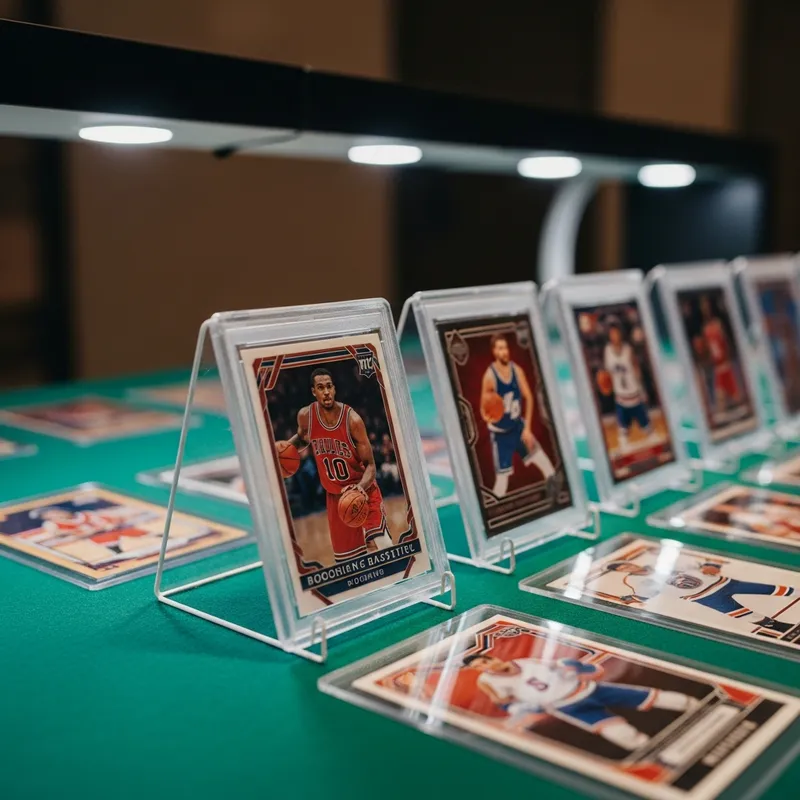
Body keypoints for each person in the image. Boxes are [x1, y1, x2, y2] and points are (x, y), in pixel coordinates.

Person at [465, 654, 698, 750]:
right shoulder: (490, 683)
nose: (487, 665)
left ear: (492, 657)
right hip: (566, 705)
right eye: (480, 666)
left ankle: (699, 708)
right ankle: (656, 753)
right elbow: (504, 704)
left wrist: (578, 667)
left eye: (485, 660)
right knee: (622, 735)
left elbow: (561, 664)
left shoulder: (525, 661)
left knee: (656, 697)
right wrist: (522, 708)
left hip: (589, 688)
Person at [288, 368, 393, 563]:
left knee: (382, 546)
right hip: (335, 498)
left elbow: (370, 465)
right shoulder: (306, 416)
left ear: (334, 389)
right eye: (321, 388)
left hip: (362, 491)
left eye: (329, 386)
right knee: (349, 563)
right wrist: (286, 449)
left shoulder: (352, 420)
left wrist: (360, 488)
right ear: (313, 392)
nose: (326, 392)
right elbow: (302, 439)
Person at [606, 559, 795, 634]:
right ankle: (781, 627)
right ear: (622, 572)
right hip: (702, 595)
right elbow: (644, 596)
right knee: (739, 613)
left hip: (723, 582)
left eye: (625, 565)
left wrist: (711, 566)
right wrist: (631, 599)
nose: (627, 568)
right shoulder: (636, 582)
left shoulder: (659, 561)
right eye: (622, 569)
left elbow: (696, 564)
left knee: (769, 588)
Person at [480, 334, 556, 498]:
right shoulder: (490, 376)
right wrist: (491, 412)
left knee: (544, 463)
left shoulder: (517, 370)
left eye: (505, 347)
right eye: (500, 348)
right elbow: (483, 408)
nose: (504, 351)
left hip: (517, 427)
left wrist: (527, 428)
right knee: (501, 483)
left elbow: (528, 397)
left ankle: (555, 495)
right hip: (500, 434)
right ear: (494, 351)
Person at [602, 318, 654, 454]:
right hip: (620, 396)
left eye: (616, 333)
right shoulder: (607, 351)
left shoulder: (628, 349)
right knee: (623, 431)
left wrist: (643, 392)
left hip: (634, 394)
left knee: (647, 428)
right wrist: (606, 385)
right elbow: (607, 373)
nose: (614, 336)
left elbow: (637, 371)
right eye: (612, 333)